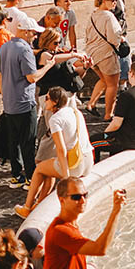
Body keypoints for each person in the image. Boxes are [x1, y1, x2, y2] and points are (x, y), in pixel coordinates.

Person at [0, 14, 57, 186]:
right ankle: (31, 177)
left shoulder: (5, 47)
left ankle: (16, 175)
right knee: (28, 142)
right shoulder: (25, 50)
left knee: (13, 141)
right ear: (25, 32)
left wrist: (5, 95)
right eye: (34, 33)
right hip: (24, 102)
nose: (36, 37)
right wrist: (47, 66)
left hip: (9, 102)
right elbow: (32, 77)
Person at [16, 86, 93, 217]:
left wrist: (65, 176)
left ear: (55, 101)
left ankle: (27, 207)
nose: (44, 101)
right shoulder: (75, 112)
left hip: (75, 163)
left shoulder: (55, 119)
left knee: (39, 169)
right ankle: (38, 206)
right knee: (48, 169)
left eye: (47, 99)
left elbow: (61, 149)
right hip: (88, 159)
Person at [99, 60, 135, 155]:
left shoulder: (126, 95)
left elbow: (116, 124)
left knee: (93, 142)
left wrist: (105, 134)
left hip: (134, 140)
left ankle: (93, 167)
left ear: (131, 74)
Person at [85, 0, 125, 120]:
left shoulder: (93, 15)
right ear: (103, 1)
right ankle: (109, 114)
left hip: (92, 54)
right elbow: (114, 37)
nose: (115, 3)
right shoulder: (109, 16)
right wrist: (121, 40)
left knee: (104, 80)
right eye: (112, 0)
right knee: (113, 84)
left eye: (115, 0)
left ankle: (91, 104)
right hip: (106, 54)